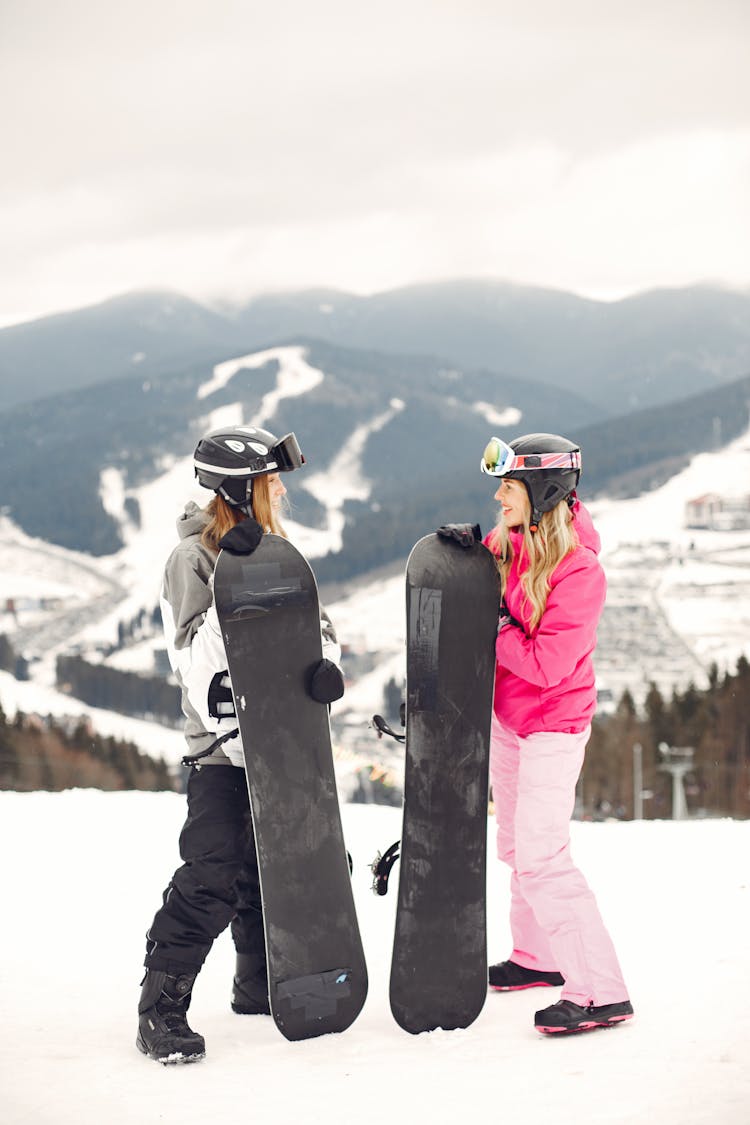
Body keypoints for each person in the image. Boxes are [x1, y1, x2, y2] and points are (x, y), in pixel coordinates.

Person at [137, 425, 345, 1064]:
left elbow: (317, 623)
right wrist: (237, 582)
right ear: (239, 486)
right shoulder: (192, 559)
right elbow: (196, 666)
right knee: (213, 876)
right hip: (222, 754)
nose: (279, 489)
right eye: (268, 479)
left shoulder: (276, 546)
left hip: (280, 748)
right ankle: (160, 1010)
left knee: (272, 872)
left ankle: (257, 985)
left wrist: (323, 663)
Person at [479, 432, 633, 1035]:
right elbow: (486, 566)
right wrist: (468, 556)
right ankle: (536, 958)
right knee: (518, 849)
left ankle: (601, 992)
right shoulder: (514, 540)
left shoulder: (579, 570)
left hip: (552, 725)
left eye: (509, 486)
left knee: (544, 857)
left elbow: (546, 665)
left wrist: (492, 623)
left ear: (543, 494)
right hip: (510, 722)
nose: (498, 497)